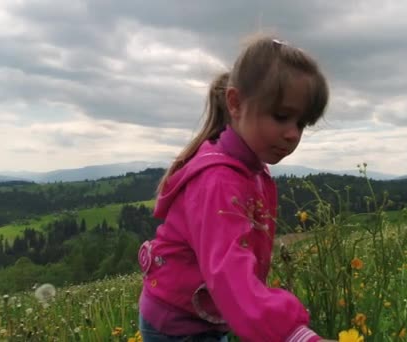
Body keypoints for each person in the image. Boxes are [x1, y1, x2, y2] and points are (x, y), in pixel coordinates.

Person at [138, 34, 332, 342]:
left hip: (207, 315)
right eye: (281, 116)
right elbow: (229, 271)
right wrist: (292, 334)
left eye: (302, 123)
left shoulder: (250, 169)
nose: (293, 134)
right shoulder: (219, 179)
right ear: (235, 103)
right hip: (179, 327)